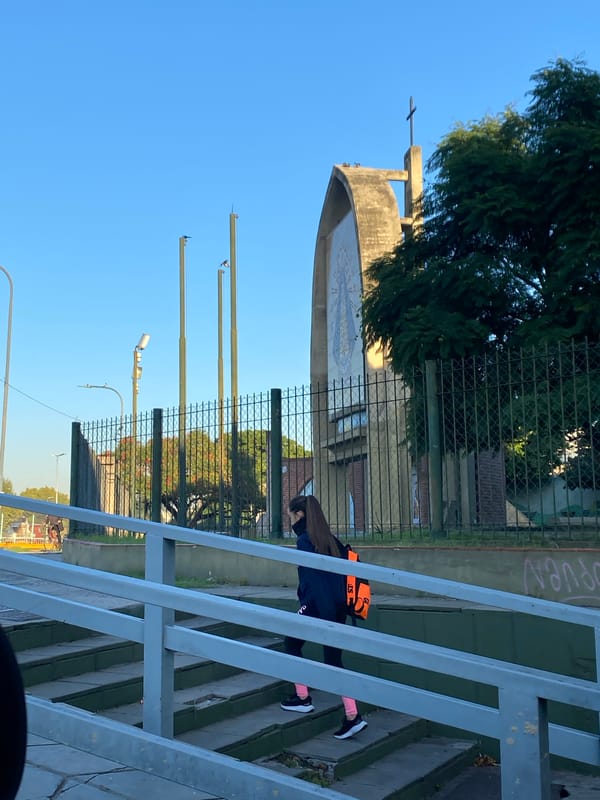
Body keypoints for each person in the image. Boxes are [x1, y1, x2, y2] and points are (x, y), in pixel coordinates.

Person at [280, 494, 368, 740]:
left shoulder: (305, 541)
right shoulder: (330, 539)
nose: (289, 521)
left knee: (291, 641)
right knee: (333, 660)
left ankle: (302, 697)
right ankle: (352, 716)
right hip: (339, 608)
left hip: (318, 607)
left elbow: (314, 582)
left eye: (290, 516)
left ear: (300, 515)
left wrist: (314, 610)